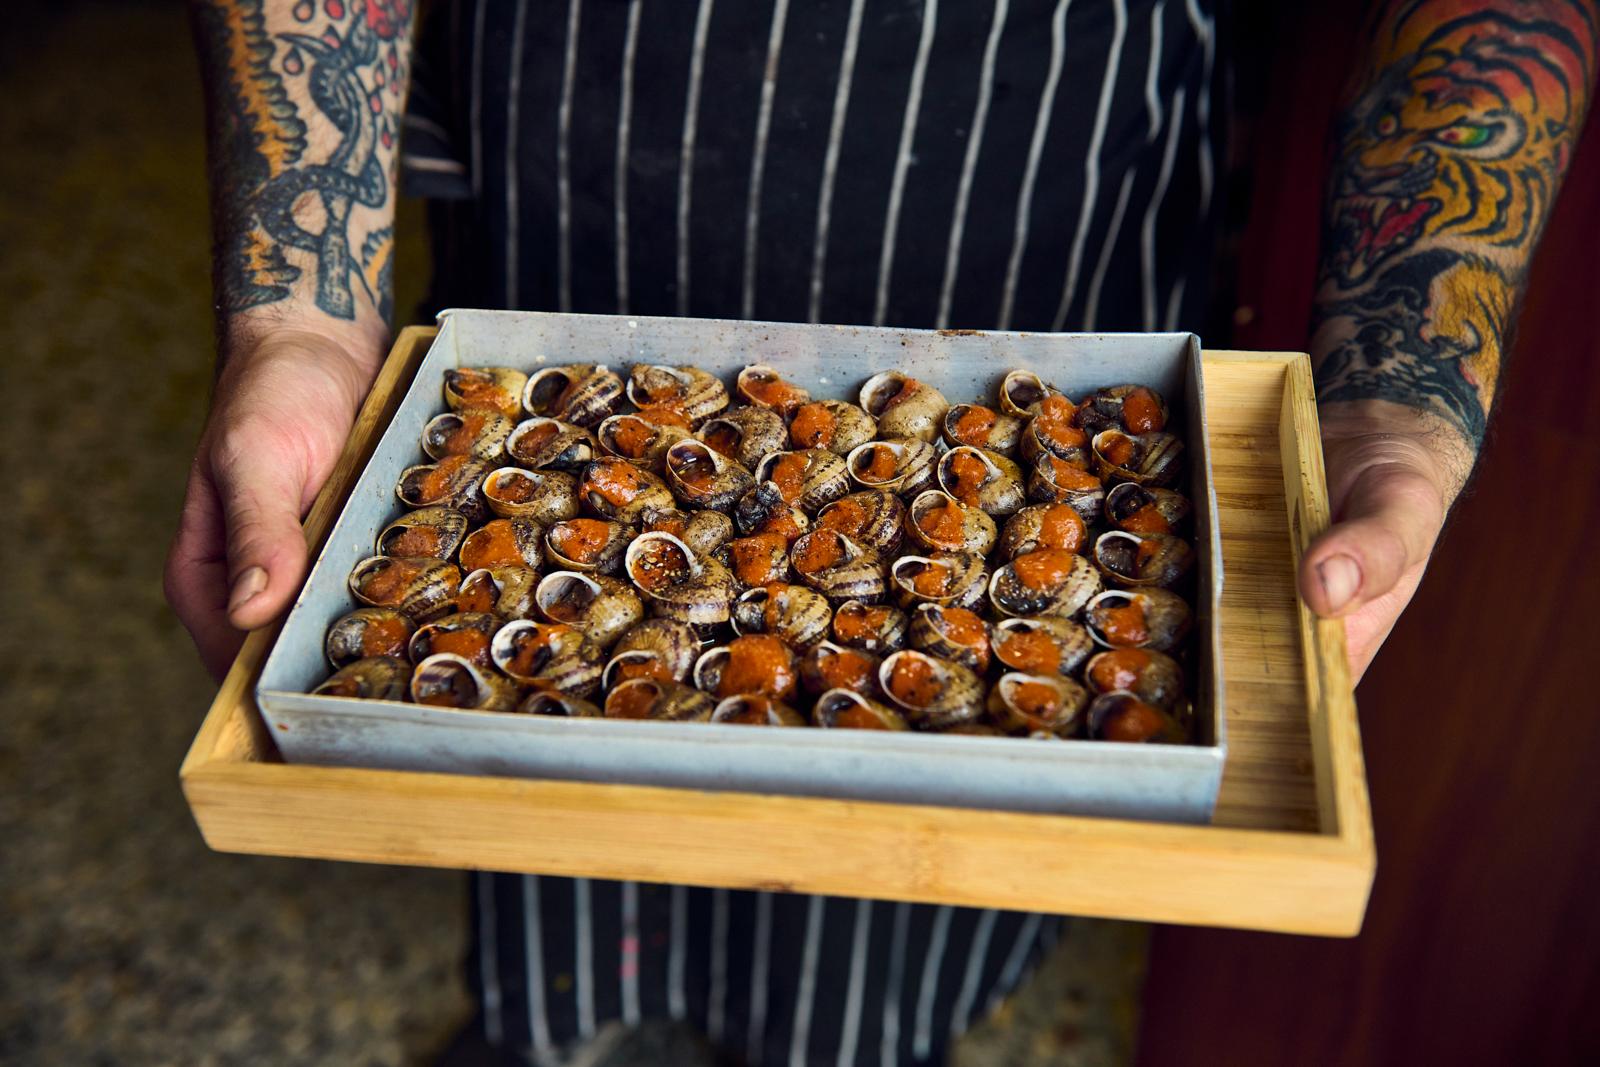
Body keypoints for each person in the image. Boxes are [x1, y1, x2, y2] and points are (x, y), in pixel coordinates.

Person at [167, 0, 1596, 1063]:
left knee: (907, 885)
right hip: (577, 173)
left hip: (1044, 199)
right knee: (546, 776)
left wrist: (1401, 403)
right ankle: (556, 1018)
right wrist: (297, 318)